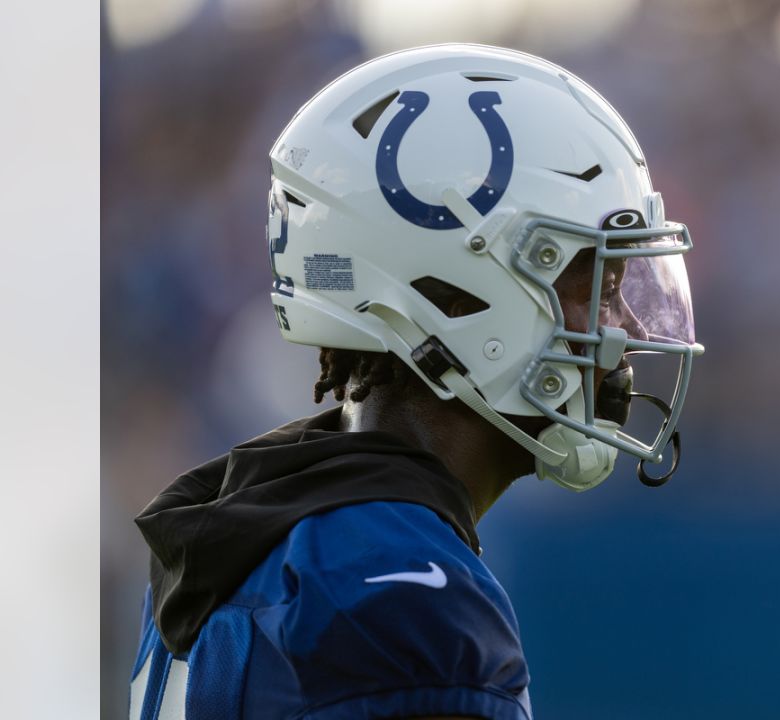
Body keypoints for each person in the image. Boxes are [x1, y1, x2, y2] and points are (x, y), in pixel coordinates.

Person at [129, 44, 703, 720]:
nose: (627, 328)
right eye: (598, 289)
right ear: (457, 297)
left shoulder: (249, 530)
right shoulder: (403, 595)